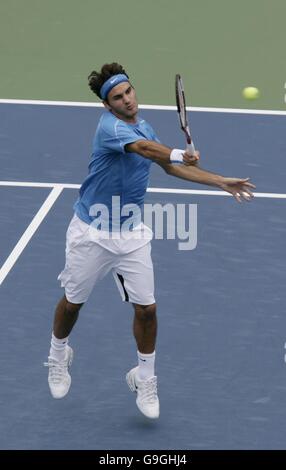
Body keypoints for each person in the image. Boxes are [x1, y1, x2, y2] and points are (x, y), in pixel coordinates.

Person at [45, 62, 255, 420]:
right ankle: (58, 353)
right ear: (106, 105)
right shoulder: (110, 129)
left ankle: (144, 376)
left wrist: (219, 180)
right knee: (72, 304)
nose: (127, 100)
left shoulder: (144, 126)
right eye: (117, 97)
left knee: (147, 309)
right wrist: (175, 152)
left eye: (128, 92)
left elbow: (170, 167)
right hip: (91, 233)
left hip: (131, 233)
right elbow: (147, 150)